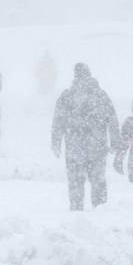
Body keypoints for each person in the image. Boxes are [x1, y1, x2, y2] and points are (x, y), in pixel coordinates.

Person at [51, 63, 121, 210]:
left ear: (75, 76)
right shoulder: (101, 95)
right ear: (89, 74)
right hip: (97, 145)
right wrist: (115, 141)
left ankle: (77, 212)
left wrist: (56, 142)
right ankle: (100, 210)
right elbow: (112, 118)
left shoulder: (67, 96)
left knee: (76, 183)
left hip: (74, 147)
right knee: (98, 181)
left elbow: (58, 120)